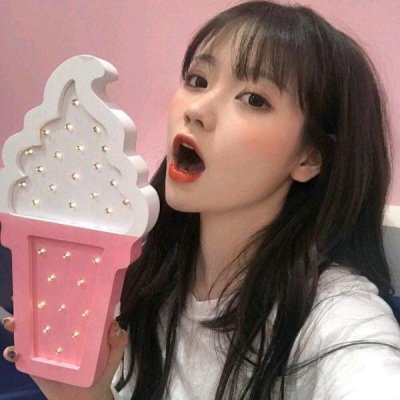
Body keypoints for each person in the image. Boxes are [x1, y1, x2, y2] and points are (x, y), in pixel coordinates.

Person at [3, 0, 400, 399]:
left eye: (254, 99)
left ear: (309, 157)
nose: (197, 110)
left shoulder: (336, 319)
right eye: (197, 80)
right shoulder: (148, 273)